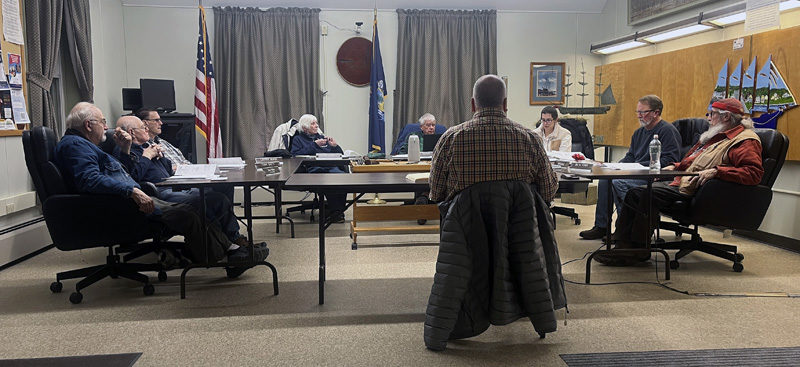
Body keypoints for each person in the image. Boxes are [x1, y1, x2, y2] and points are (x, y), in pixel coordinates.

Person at [54, 102, 266, 277]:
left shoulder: (84, 145)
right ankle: (227, 257)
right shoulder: (75, 146)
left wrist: (132, 162)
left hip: (129, 199)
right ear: (89, 125)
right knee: (188, 212)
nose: (106, 126)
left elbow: (119, 174)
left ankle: (233, 252)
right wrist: (133, 191)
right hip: (117, 206)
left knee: (197, 207)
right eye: (102, 122)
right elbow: (90, 180)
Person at [595, 98, 763, 266]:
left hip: (704, 191)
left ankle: (638, 250)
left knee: (644, 192)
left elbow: (753, 173)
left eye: (711, 114)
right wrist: (674, 166)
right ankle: (623, 244)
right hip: (686, 182)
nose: (708, 118)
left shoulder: (745, 140)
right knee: (635, 192)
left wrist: (717, 172)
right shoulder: (716, 137)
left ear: (726, 117)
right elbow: (694, 161)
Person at [114, 116, 257, 252]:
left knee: (219, 198)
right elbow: (132, 178)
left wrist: (159, 155)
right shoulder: (124, 152)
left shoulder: (147, 146)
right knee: (201, 200)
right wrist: (147, 156)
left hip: (174, 185)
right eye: (142, 127)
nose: (146, 129)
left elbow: (168, 169)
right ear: (132, 132)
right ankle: (224, 246)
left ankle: (233, 238)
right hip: (158, 195)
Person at [429, 74, 558, 203]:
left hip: (465, 222)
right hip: (517, 222)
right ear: (505, 104)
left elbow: (435, 193)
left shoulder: (450, 139)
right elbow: (548, 192)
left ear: (473, 104)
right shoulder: (531, 140)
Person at [579, 95, 681, 240]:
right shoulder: (638, 133)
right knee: (605, 180)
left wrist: (638, 167)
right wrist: (615, 166)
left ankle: (624, 230)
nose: (639, 116)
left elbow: (670, 160)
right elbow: (630, 156)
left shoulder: (667, 131)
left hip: (654, 177)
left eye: (643, 112)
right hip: (636, 172)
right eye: (637, 112)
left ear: (656, 113)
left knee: (617, 183)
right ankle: (601, 226)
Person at [290, 114, 347, 222]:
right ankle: (336, 213)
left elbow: (340, 155)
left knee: (343, 179)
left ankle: (337, 212)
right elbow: (295, 156)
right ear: (304, 128)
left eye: (316, 123)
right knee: (331, 180)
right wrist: (314, 145)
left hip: (330, 167)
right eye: (313, 124)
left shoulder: (321, 138)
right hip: (313, 170)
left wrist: (335, 146)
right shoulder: (298, 139)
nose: (316, 126)